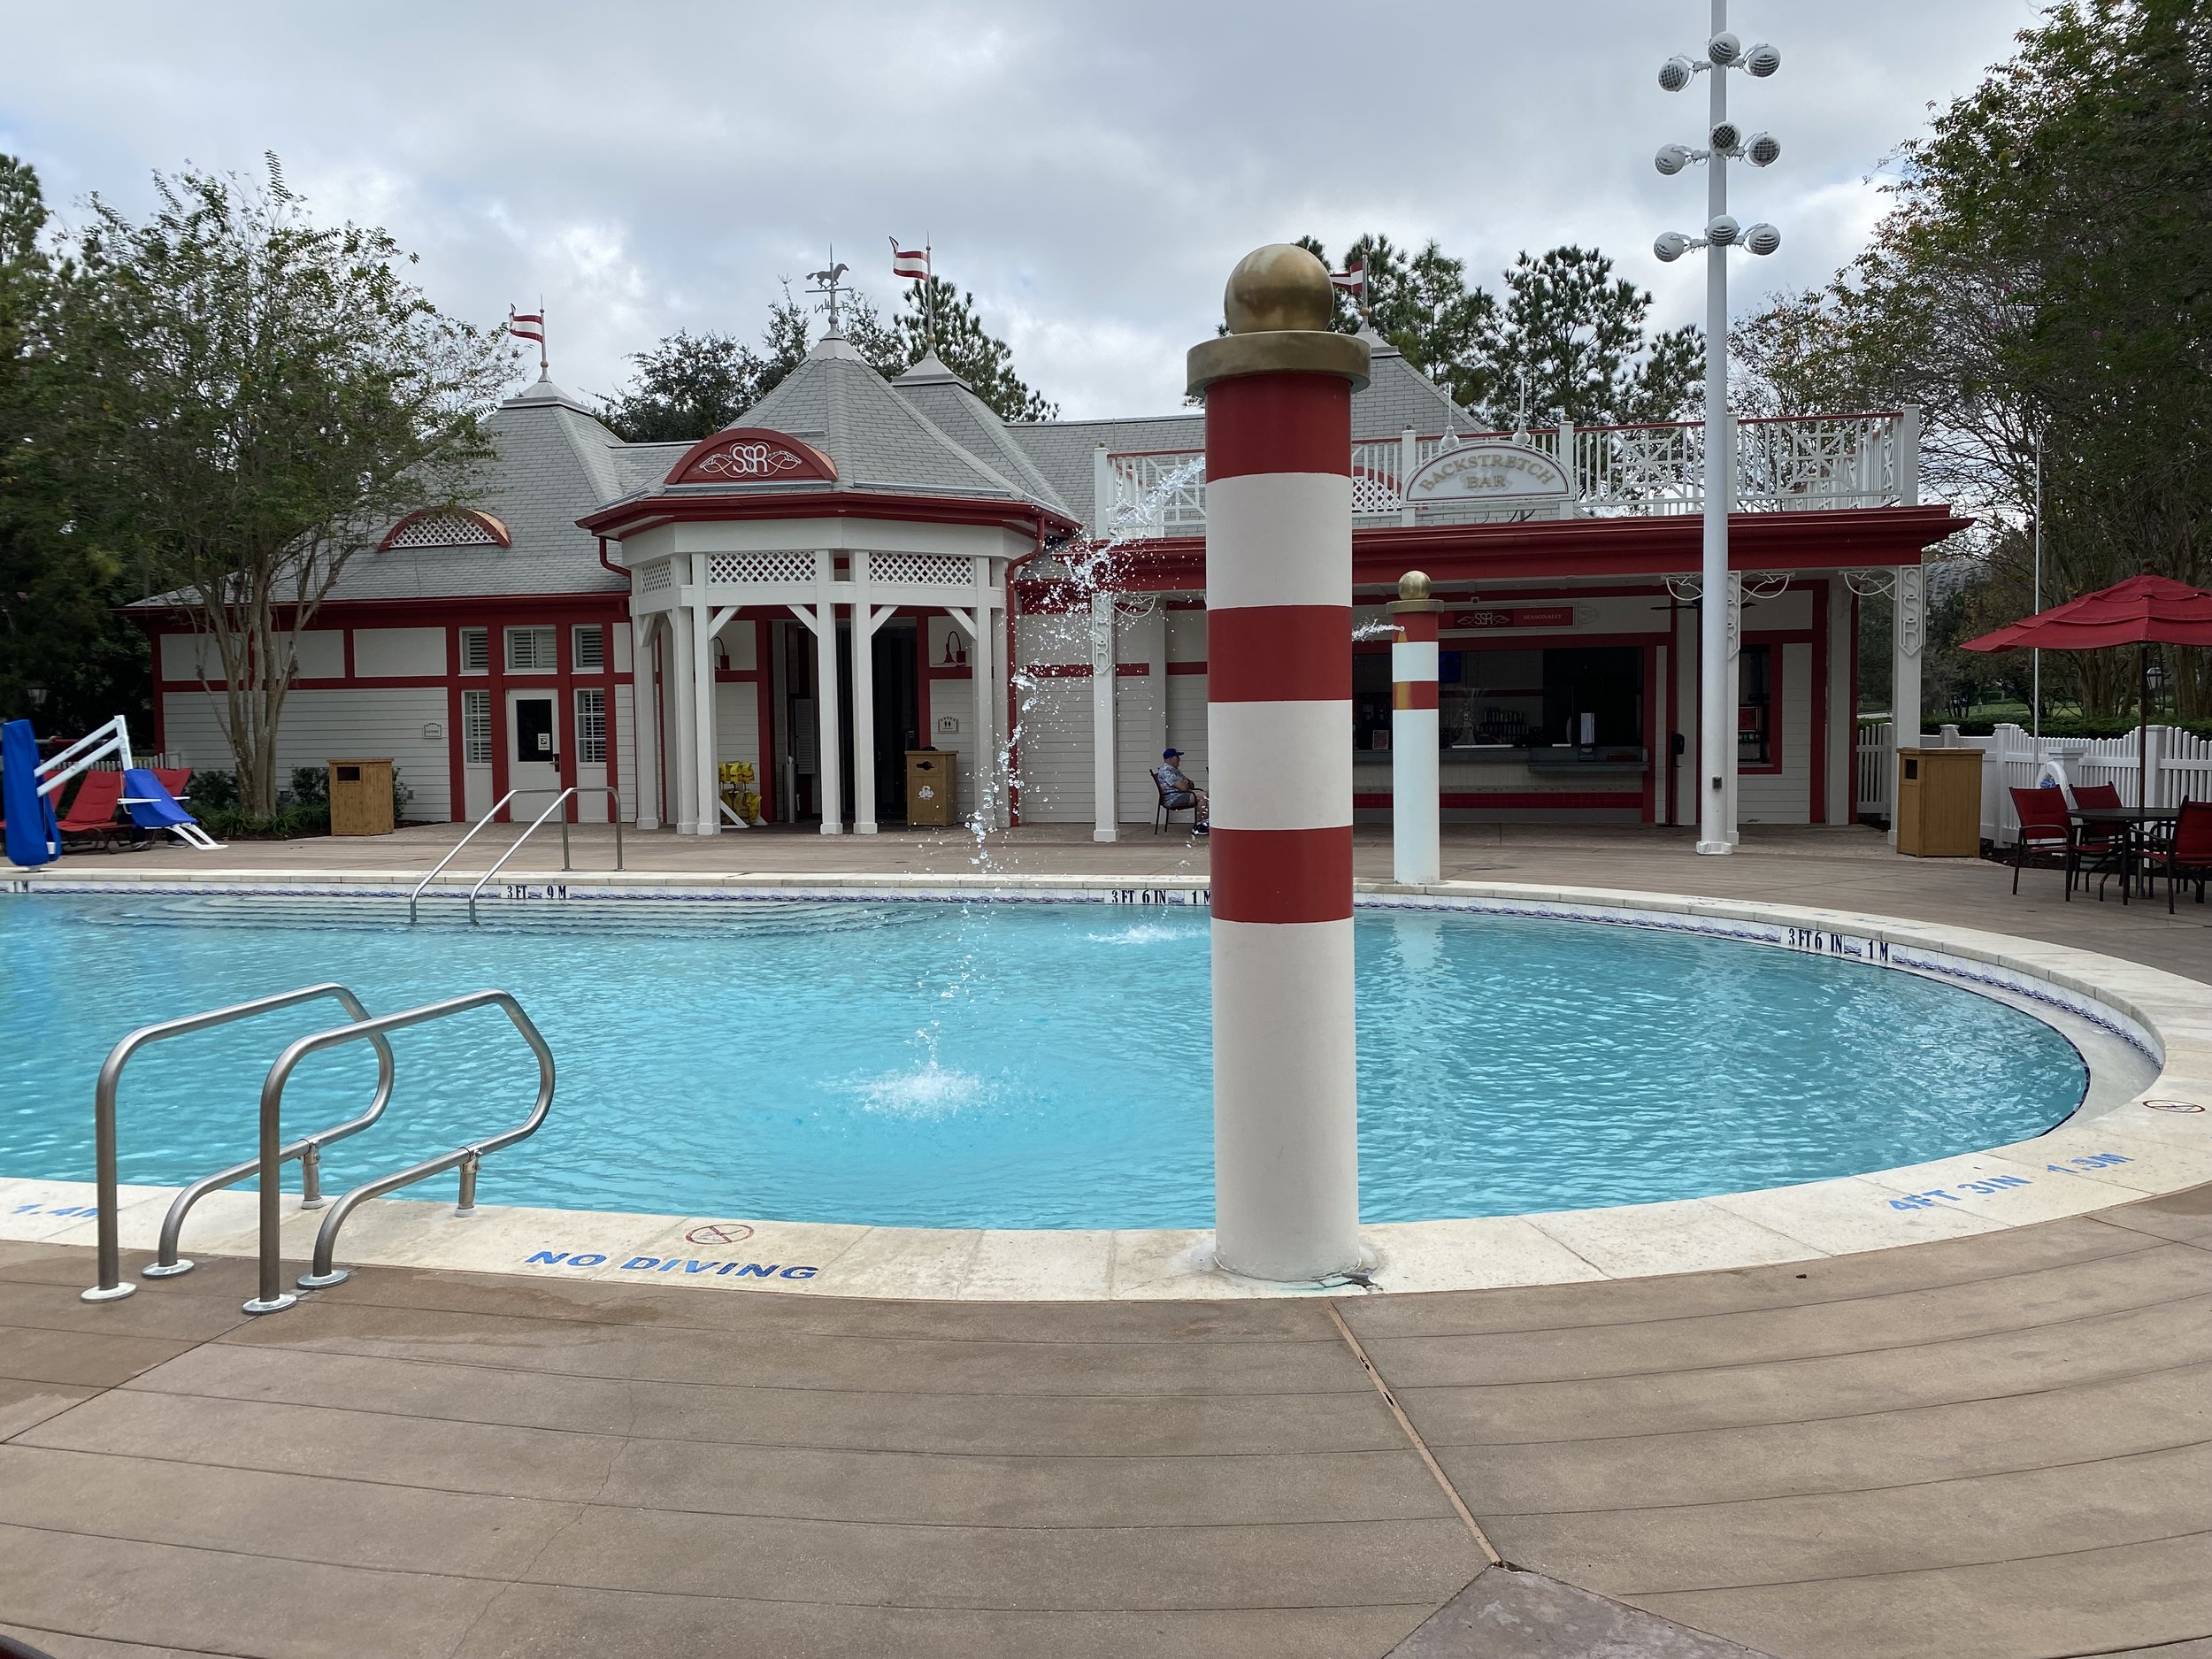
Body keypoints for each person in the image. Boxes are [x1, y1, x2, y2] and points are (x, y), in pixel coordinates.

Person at [1156, 747, 1208, 833]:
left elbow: (1191, 784)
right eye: (1177, 757)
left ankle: (1205, 822)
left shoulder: (1175, 770)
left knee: (1208, 793)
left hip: (1181, 795)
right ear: (1170, 759)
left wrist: (1185, 783)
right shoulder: (1166, 771)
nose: (1179, 759)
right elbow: (1183, 787)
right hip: (1173, 799)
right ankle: (1199, 826)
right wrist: (1185, 783)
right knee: (1203, 796)